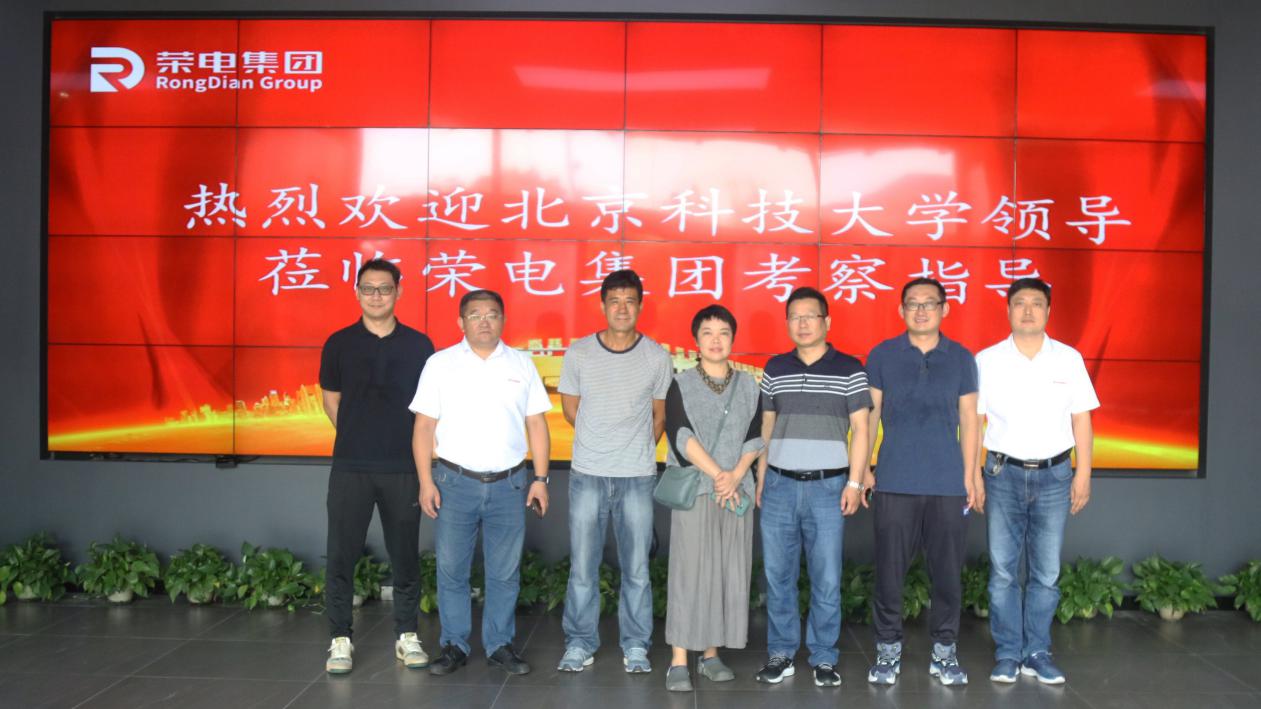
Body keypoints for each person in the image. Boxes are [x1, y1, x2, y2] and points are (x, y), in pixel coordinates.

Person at [410, 289, 552, 676]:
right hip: (454, 483)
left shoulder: (521, 363)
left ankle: (499, 645)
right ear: (461, 322)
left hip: (510, 484)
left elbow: (536, 423)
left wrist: (540, 479)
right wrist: (425, 481)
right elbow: (423, 427)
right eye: (475, 315)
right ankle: (454, 645)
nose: (484, 321)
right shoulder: (440, 364)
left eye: (492, 314)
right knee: (452, 569)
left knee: (504, 572)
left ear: (503, 320)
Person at [974, 278, 1099, 685]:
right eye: (1020, 303)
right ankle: (1009, 652)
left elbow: (1082, 418)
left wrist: (1083, 472)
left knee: (1046, 571)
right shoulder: (987, 360)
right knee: (1003, 571)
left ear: (1048, 311)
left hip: (1055, 475)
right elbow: (974, 422)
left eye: (1036, 303)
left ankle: (1037, 652)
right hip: (1001, 473)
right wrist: (971, 475)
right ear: (1008, 310)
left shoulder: (1068, 359)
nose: (1028, 310)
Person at [318, 258, 434, 675]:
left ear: (399, 291)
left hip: (403, 467)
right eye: (368, 289)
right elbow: (331, 399)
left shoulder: (419, 345)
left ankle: (407, 634)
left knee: (404, 555)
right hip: (351, 466)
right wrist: (357, 433)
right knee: (341, 554)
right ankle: (340, 639)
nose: (376, 296)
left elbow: (428, 409)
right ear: (357, 293)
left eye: (385, 288)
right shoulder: (339, 343)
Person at [864, 277, 980, 687]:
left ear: (945, 309)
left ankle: (945, 652)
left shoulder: (961, 358)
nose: (921, 310)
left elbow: (969, 420)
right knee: (889, 572)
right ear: (901, 310)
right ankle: (887, 650)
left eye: (929, 303)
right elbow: (870, 417)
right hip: (894, 480)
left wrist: (971, 475)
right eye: (912, 303)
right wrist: (863, 469)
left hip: (947, 483)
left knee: (947, 574)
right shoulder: (882, 355)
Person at [556, 269, 673, 674]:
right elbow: (571, 409)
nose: (622, 308)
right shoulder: (579, 353)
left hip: (637, 476)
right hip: (587, 473)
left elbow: (660, 417)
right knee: (582, 567)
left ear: (640, 306)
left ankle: (636, 645)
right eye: (614, 301)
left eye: (629, 301)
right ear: (603, 305)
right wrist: (600, 441)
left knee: (637, 569)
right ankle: (579, 643)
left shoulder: (656, 357)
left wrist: (633, 448)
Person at [754, 286, 871, 688]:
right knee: (778, 576)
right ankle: (781, 652)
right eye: (795, 317)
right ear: (787, 323)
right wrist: (762, 476)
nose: (802, 323)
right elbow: (767, 426)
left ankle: (824, 656)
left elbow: (861, 429)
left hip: (828, 487)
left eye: (810, 316)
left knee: (826, 577)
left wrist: (855, 481)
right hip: (779, 485)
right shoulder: (775, 368)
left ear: (827, 321)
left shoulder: (850, 369)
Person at [661, 305, 764, 692]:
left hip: (736, 493)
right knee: (689, 572)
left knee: (726, 572)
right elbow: (680, 435)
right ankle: (678, 660)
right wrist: (720, 475)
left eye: (723, 333)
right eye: (708, 332)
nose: (716, 340)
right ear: (696, 340)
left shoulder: (749, 385)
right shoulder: (681, 383)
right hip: (699, 491)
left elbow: (756, 435)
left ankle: (710, 654)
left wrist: (736, 475)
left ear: (733, 339)